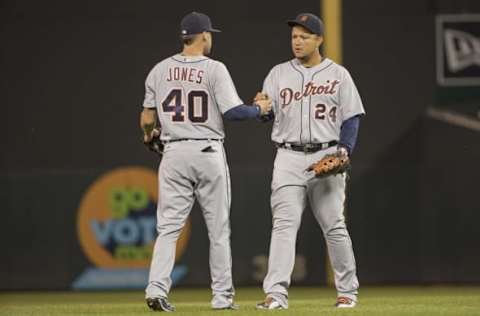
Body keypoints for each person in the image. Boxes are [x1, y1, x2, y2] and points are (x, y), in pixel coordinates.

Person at [140, 11, 271, 312]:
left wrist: (150, 136)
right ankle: (222, 298)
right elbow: (234, 112)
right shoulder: (214, 69)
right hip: (207, 151)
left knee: (168, 228)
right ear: (203, 36)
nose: (210, 38)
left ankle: (156, 289)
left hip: (173, 153)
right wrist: (259, 108)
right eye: (209, 34)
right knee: (218, 230)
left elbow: (148, 118)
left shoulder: (159, 70)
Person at [255, 13, 364, 310]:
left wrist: (345, 149)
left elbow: (351, 116)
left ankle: (347, 291)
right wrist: (261, 109)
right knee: (283, 226)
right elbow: (267, 113)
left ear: (319, 39)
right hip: (287, 156)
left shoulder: (338, 74)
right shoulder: (277, 73)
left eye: (304, 36)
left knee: (334, 225)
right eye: (294, 37)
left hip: (325, 153)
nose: (297, 41)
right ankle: (275, 294)